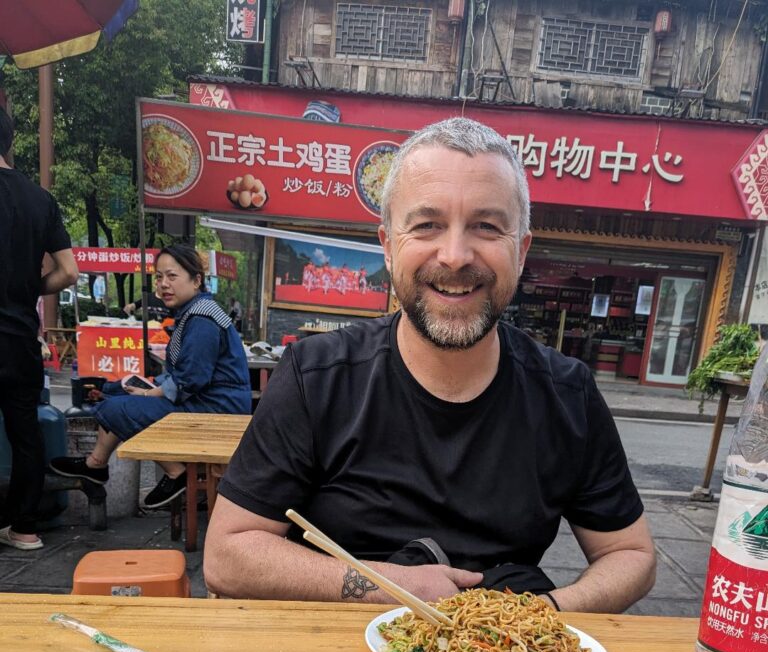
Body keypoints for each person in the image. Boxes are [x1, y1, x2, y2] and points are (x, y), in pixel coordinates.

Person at [204, 118, 656, 611]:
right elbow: (227, 556)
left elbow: (629, 553)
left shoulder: (567, 393)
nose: (456, 255)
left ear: (521, 251)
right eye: (426, 225)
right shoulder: (316, 376)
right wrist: (388, 586)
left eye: (486, 226)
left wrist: (543, 616)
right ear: (388, 243)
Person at [50, 244, 251, 509]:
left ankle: (176, 473)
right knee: (114, 391)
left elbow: (191, 380)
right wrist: (145, 385)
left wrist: (150, 392)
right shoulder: (193, 311)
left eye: (172, 276)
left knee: (116, 407)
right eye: (159, 277)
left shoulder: (202, 319)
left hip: (216, 411)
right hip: (203, 400)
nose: (163, 284)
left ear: (196, 280)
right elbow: (185, 376)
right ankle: (95, 465)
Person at [0, 107, 78, 551]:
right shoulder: (39, 199)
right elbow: (68, 271)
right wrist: (30, 287)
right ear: (10, 143)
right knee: (25, 432)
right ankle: (24, 529)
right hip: (19, 342)